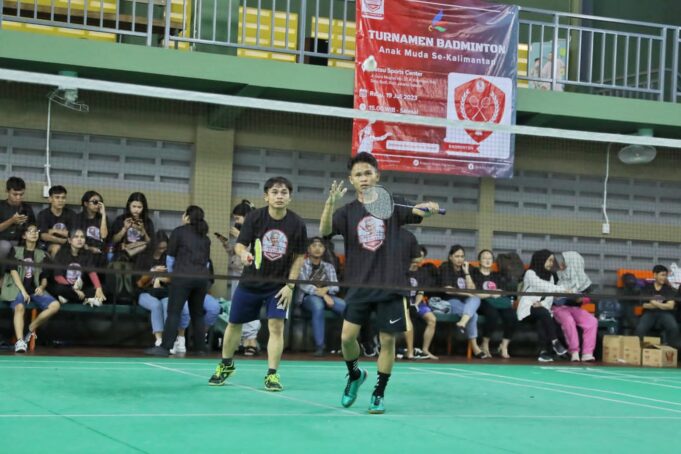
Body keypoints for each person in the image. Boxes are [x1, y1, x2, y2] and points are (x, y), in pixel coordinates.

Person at [319, 152, 440, 414]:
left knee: (388, 341)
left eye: (368, 173)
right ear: (351, 180)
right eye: (358, 174)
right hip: (360, 285)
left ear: (377, 175)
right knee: (347, 338)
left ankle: (378, 392)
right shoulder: (346, 212)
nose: (364, 178)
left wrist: (428, 206)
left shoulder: (393, 204)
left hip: (390, 285)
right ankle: (354, 375)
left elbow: (418, 211)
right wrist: (330, 203)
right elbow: (325, 231)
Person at [209, 177, 307, 391]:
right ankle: (226, 365)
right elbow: (240, 245)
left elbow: (299, 256)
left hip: (278, 286)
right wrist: (244, 254)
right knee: (234, 323)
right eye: (274, 192)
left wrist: (290, 285)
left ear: (289, 197)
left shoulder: (297, 224)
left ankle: (272, 374)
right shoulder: (255, 218)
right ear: (266, 196)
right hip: (251, 282)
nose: (279, 196)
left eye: (283, 192)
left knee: (276, 326)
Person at [145, 206, 212, 356]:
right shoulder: (205, 238)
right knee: (198, 314)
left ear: (187, 217)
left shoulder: (179, 232)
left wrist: (172, 274)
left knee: (174, 312)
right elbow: (207, 262)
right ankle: (200, 349)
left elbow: (170, 257)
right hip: (201, 279)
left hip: (182, 277)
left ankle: (165, 347)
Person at [1, 223, 59, 353]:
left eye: (36, 231)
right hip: (16, 287)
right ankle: (20, 342)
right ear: (24, 235)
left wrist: (42, 286)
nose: (34, 233)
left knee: (55, 305)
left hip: (34, 289)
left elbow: (44, 275)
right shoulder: (15, 250)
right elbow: (13, 271)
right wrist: (23, 291)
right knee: (20, 307)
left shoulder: (42, 254)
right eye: (30, 231)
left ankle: (30, 329)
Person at [216, 199, 261, 356]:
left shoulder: (255, 230)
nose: (235, 221)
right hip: (235, 272)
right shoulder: (239, 230)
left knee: (251, 306)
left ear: (246, 216)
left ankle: (251, 340)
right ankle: (242, 341)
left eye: (237, 218)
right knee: (238, 307)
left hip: (249, 274)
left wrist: (241, 235)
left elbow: (255, 251)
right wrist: (227, 244)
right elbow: (235, 252)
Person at [517, 250, 569, 362]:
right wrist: (562, 289)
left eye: (552, 260)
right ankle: (555, 342)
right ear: (541, 259)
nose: (551, 263)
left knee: (542, 318)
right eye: (549, 260)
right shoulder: (530, 273)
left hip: (541, 311)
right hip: (527, 309)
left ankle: (544, 352)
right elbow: (543, 286)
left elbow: (549, 297)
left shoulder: (550, 276)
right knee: (544, 313)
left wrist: (542, 304)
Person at [297, 236, 346, 357]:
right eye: (314, 246)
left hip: (328, 297)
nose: (317, 249)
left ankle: (344, 345)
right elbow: (304, 286)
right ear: (308, 249)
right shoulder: (302, 265)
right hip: (307, 298)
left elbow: (336, 287)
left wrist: (327, 290)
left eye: (320, 246)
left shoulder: (328, 267)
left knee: (345, 307)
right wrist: (324, 295)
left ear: (324, 249)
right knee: (318, 306)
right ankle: (320, 346)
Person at [438, 245, 486, 358]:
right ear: (450, 257)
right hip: (451, 301)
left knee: (476, 298)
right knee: (473, 315)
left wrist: (467, 273)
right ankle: (475, 348)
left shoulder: (470, 268)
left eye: (462, 256)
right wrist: (465, 293)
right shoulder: (445, 268)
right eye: (457, 256)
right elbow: (448, 290)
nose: (460, 259)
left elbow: (473, 290)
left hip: (467, 303)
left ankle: (462, 322)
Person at [553, 252, 598, 362]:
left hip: (575, 308)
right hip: (559, 308)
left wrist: (582, 299)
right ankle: (574, 351)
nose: (561, 263)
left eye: (564, 261)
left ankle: (587, 353)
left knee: (592, 321)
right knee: (568, 320)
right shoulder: (556, 276)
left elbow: (590, 297)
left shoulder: (583, 279)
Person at [472, 249, 516, 359]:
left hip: (497, 302)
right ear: (479, 261)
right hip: (481, 302)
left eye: (489, 258)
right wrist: (490, 294)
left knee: (511, 315)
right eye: (484, 258)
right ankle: (485, 343)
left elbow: (500, 292)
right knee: (492, 315)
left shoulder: (497, 275)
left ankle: (504, 346)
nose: (487, 260)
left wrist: (494, 294)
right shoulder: (475, 274)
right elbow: (475, 293)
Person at [46, 228, 106, 306]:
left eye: (82, 237)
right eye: (76, 237)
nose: (79, 239)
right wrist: (72, 290)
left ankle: (69, 298)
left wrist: (98, 288)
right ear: (70, 240)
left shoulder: (87, 254)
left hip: (80, 288)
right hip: (65, 287)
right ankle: (86, 299)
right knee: (58, 289)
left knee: (104, 289)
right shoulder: (61, 253)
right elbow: (58, 277)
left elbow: (92, 272)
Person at [405, 243, 438, 360]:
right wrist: (409, 305)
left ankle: (425, 350)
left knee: (432, 319)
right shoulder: (402, 270)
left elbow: (420, 292)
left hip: (417, 302)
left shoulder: (422, 273)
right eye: (417, 255)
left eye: (422, 256)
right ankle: (410, 351)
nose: (418, 259)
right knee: (407, 318)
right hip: (403, 301)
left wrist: (416, 304)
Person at [635, 265, 679, 347]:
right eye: (662, 275)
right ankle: (639, 349)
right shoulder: (647, 288)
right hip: (649, 313)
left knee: (674, 327)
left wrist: (653, 302)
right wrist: (663, 305)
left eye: (665, 275)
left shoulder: (668, 289)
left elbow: (670, 306)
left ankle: (673, 350)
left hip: (665, 314)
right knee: (640, 329)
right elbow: (645, 305)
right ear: (655, 275)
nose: (664, 277)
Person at [0, 177, 36, 277]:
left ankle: (24, 280)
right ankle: (2, 278)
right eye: (15, 194)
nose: (18, 197)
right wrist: (12, 220)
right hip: (3, 241)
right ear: (7, 191)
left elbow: (33, 224)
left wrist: (31, 229)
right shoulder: (1, 206)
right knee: (5, 247)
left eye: (21, 194)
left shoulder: (27, 208)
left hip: (21, 241)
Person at [110, 192, 154, 264]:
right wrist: (124, 228)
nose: (136, 210)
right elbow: (113, 240)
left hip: (141, 259)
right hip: (121, 257)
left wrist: (143, 230)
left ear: (144, 207)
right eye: (134, 206)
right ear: (129, 206)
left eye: (139, 207)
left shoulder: (147, 221)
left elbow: (150, 243)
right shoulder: (121, 219)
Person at [37, 185, 75, 256]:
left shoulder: (71, 214)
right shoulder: (43, 214)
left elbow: (73, 234)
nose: (60, 200)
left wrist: (54, 231)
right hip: (47, 245)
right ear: (50, 199)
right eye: (57, 197)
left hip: (69, 244)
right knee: (56, 247)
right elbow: (44, 236)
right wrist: (64, 240)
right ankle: (55, 267)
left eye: (63, 198)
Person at [74, 191, 109, 265]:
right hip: (83, 249)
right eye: (95, 202)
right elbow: (75, 238)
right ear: (86, 203)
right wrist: (90, 248)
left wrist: (103, 215)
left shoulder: (103, 218)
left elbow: (104, 236)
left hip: (99, 251)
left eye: (100, 203)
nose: (98, 205)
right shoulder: (78, 218)